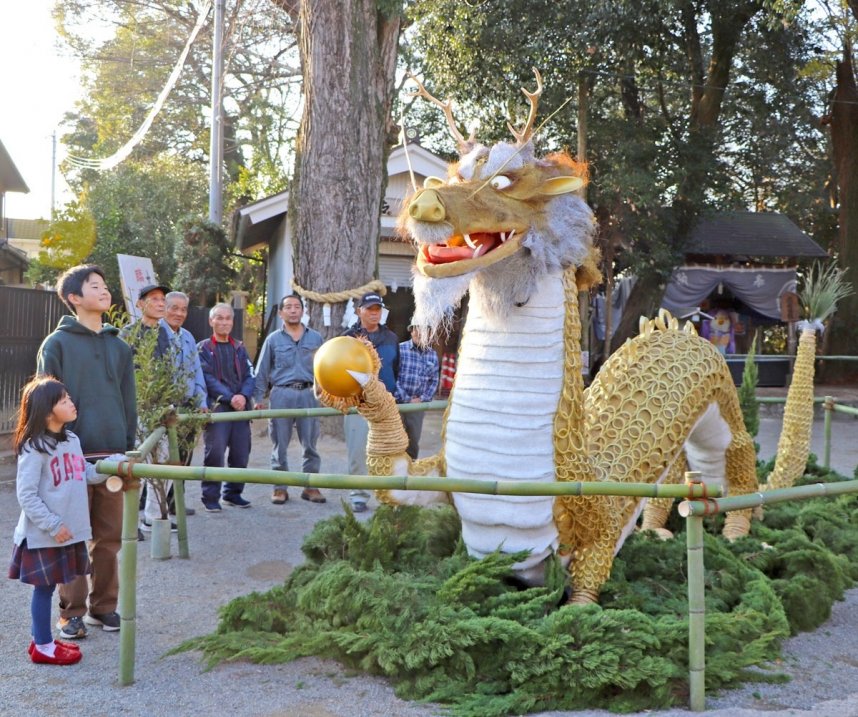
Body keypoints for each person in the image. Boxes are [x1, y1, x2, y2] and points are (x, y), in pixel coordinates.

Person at [36, 264, 137, 640]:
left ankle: (104, 607)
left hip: (112, 456)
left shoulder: (120, 346)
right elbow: (45, 401)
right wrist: (55, 449)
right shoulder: (57, 344)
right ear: (74, 298)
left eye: (106, 285)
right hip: (69, 456)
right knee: (74, 536)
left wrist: (129, 448)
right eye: (95, 286)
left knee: (110, 538)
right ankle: (71, 613)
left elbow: (129, 402)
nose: (104, 290)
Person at [7, 378, 125, 664]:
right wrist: (52, 524)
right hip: (45, 534)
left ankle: (44, 643)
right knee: (44, 589)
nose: (72, 403)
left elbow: (82, 471)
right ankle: (43, 646)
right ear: (47, 411)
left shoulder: (72, 440)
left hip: (67, 532)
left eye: (69, 398)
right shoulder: (34, 447)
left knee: (50, 586)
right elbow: (26, 494)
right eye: (64, 400)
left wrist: (112, 466)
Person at [253, 294, 325, 505]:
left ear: (303, 311)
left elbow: (324, 368)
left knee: (310, 444)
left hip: (308, 394)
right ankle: (280, 488)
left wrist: (324, 390)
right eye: (288, 307)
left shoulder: (316, 338)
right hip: (281, 394)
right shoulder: (273, 339)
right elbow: (262, 371)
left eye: (297, 307)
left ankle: (310, 486)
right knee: (279, 445)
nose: (293, 310)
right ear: (281, 313)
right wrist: (258, 397)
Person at [341, 292, 399, 512]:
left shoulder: (392, 338)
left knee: (388, 452)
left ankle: (388, 495)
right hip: (359, 404)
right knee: (358, 451)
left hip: (386, 405)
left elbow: (396, 370)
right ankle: (359, 495)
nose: (374, 313)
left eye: (377, 309)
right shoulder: (348, 338)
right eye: (369, 309)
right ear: (359, 311)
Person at [198, 303, 255, 512]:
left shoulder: (239, 347)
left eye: (228, 318)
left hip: (240, 408)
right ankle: (210, 497)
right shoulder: (203, 348)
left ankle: (233, 493)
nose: (223, 322)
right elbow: (207, 378)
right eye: (219, 318)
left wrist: (243, 395)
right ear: (211, 321)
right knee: (215, 453)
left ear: (233, 321)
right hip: (218, 408)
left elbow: (250, 375)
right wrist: (230, 397)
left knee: (241, 453)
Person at [395, 324, 440, 460]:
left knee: (413, 440)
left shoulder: (432, 355)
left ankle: (410, 470)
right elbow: (392, 376)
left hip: (418, 405)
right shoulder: (400, 349)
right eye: (416, 329)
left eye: (424, 330)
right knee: (394, 438)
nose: (419, 333)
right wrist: (407, 399)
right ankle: (393, 473)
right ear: (411, 331)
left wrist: (423, 399)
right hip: (398, 402)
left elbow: (434, 381)